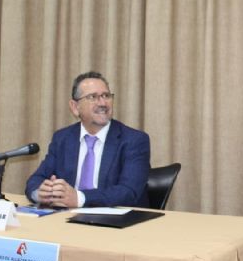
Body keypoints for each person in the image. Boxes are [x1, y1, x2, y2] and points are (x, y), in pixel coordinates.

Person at [25, 71, 151, 208]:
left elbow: (129, 192)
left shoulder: (134, 141)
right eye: (93, 97)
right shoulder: (63, 139)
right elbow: (35, 180)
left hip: (115, 224)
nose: (103, 103)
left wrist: (79, 198)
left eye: (106, 96)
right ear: (75, 107)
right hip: (66, 221)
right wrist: (41, 193)